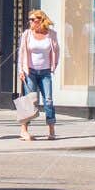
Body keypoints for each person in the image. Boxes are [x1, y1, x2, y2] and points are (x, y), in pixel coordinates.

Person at [17, 9, 60, 141]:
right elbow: (21, 53)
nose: (30, 22)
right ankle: (23, 130)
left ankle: (51, 130)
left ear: (40, 20)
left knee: (48, 100)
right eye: (29, 19)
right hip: (30, 71)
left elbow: (56, 51)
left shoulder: (51, 34)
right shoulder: (27, 34)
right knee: (28, 100)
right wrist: (20, 70)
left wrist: (54, 66)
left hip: (45, 72)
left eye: (33, 19)